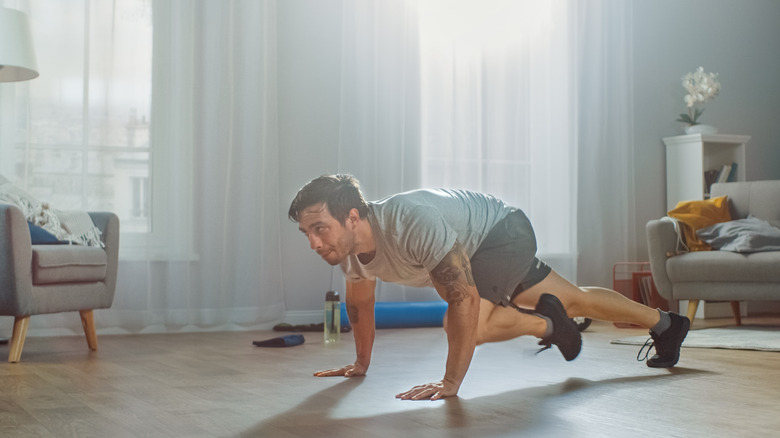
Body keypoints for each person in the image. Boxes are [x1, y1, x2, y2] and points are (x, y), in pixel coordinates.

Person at [288, 174, 690, 401]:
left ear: (353, 217)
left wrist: (450, 383)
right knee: (574, 299)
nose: (314, 243)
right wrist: (361, 363)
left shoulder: (408, 224)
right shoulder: (352, 253)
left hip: (500, 233)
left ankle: (552, 325)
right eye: (307, 232)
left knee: (466, 323)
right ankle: (666, 324)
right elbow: (360, 306)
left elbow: (462, 300)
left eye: (320, 229)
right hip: (481, 241)